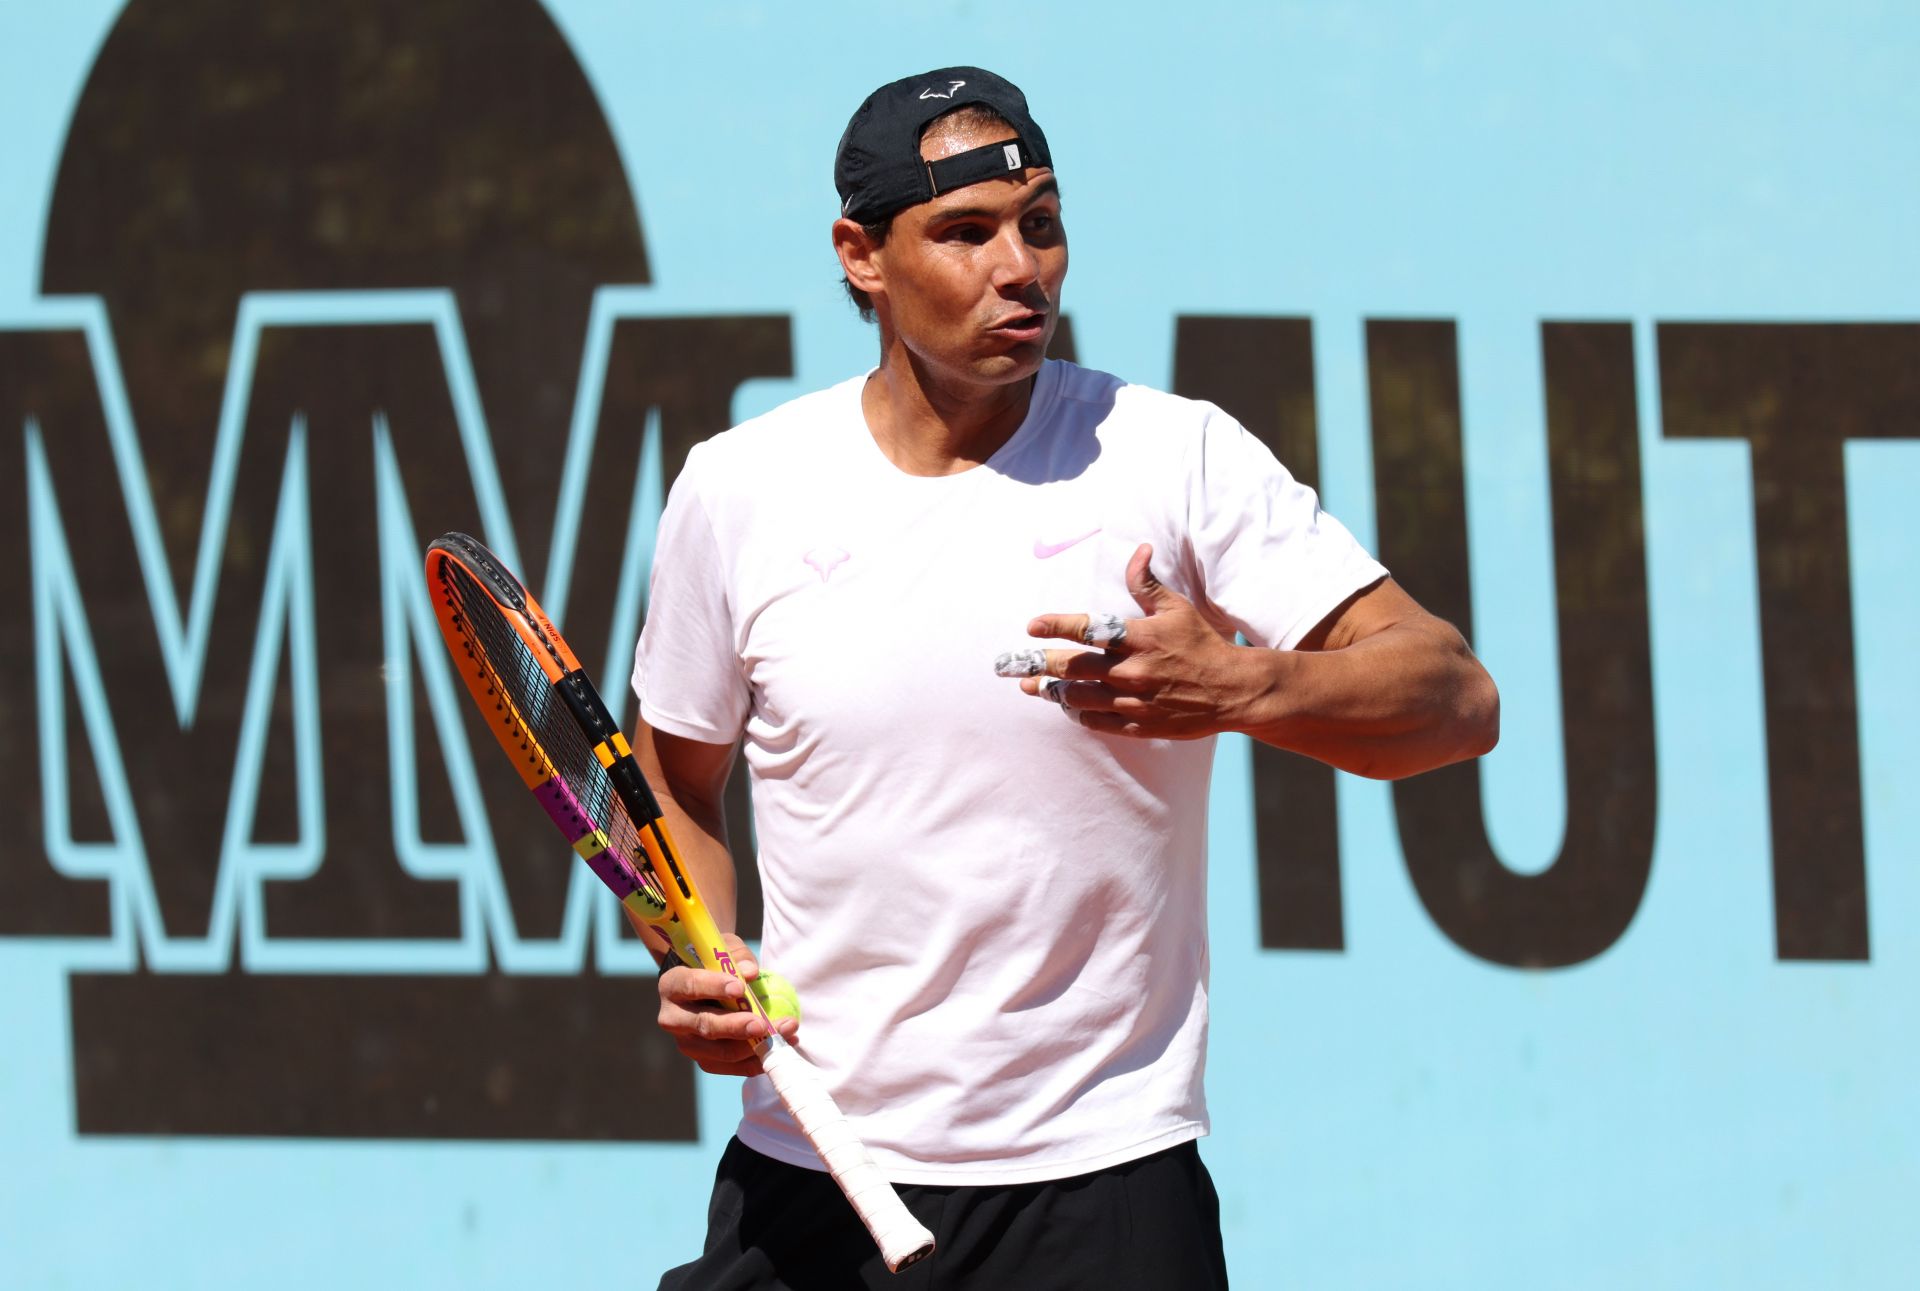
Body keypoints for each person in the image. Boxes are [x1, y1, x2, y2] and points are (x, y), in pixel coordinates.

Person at [635, 66, 1498, 1289]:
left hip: (1105, 1195)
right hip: (813, 1179)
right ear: (860, 255)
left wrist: (1242, 690)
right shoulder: (737, 489)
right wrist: (707, 954)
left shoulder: (1174, 453)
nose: (1020, 266)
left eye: (1041, 223)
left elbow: (1457, 699)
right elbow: (674, 779)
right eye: (967, 232)